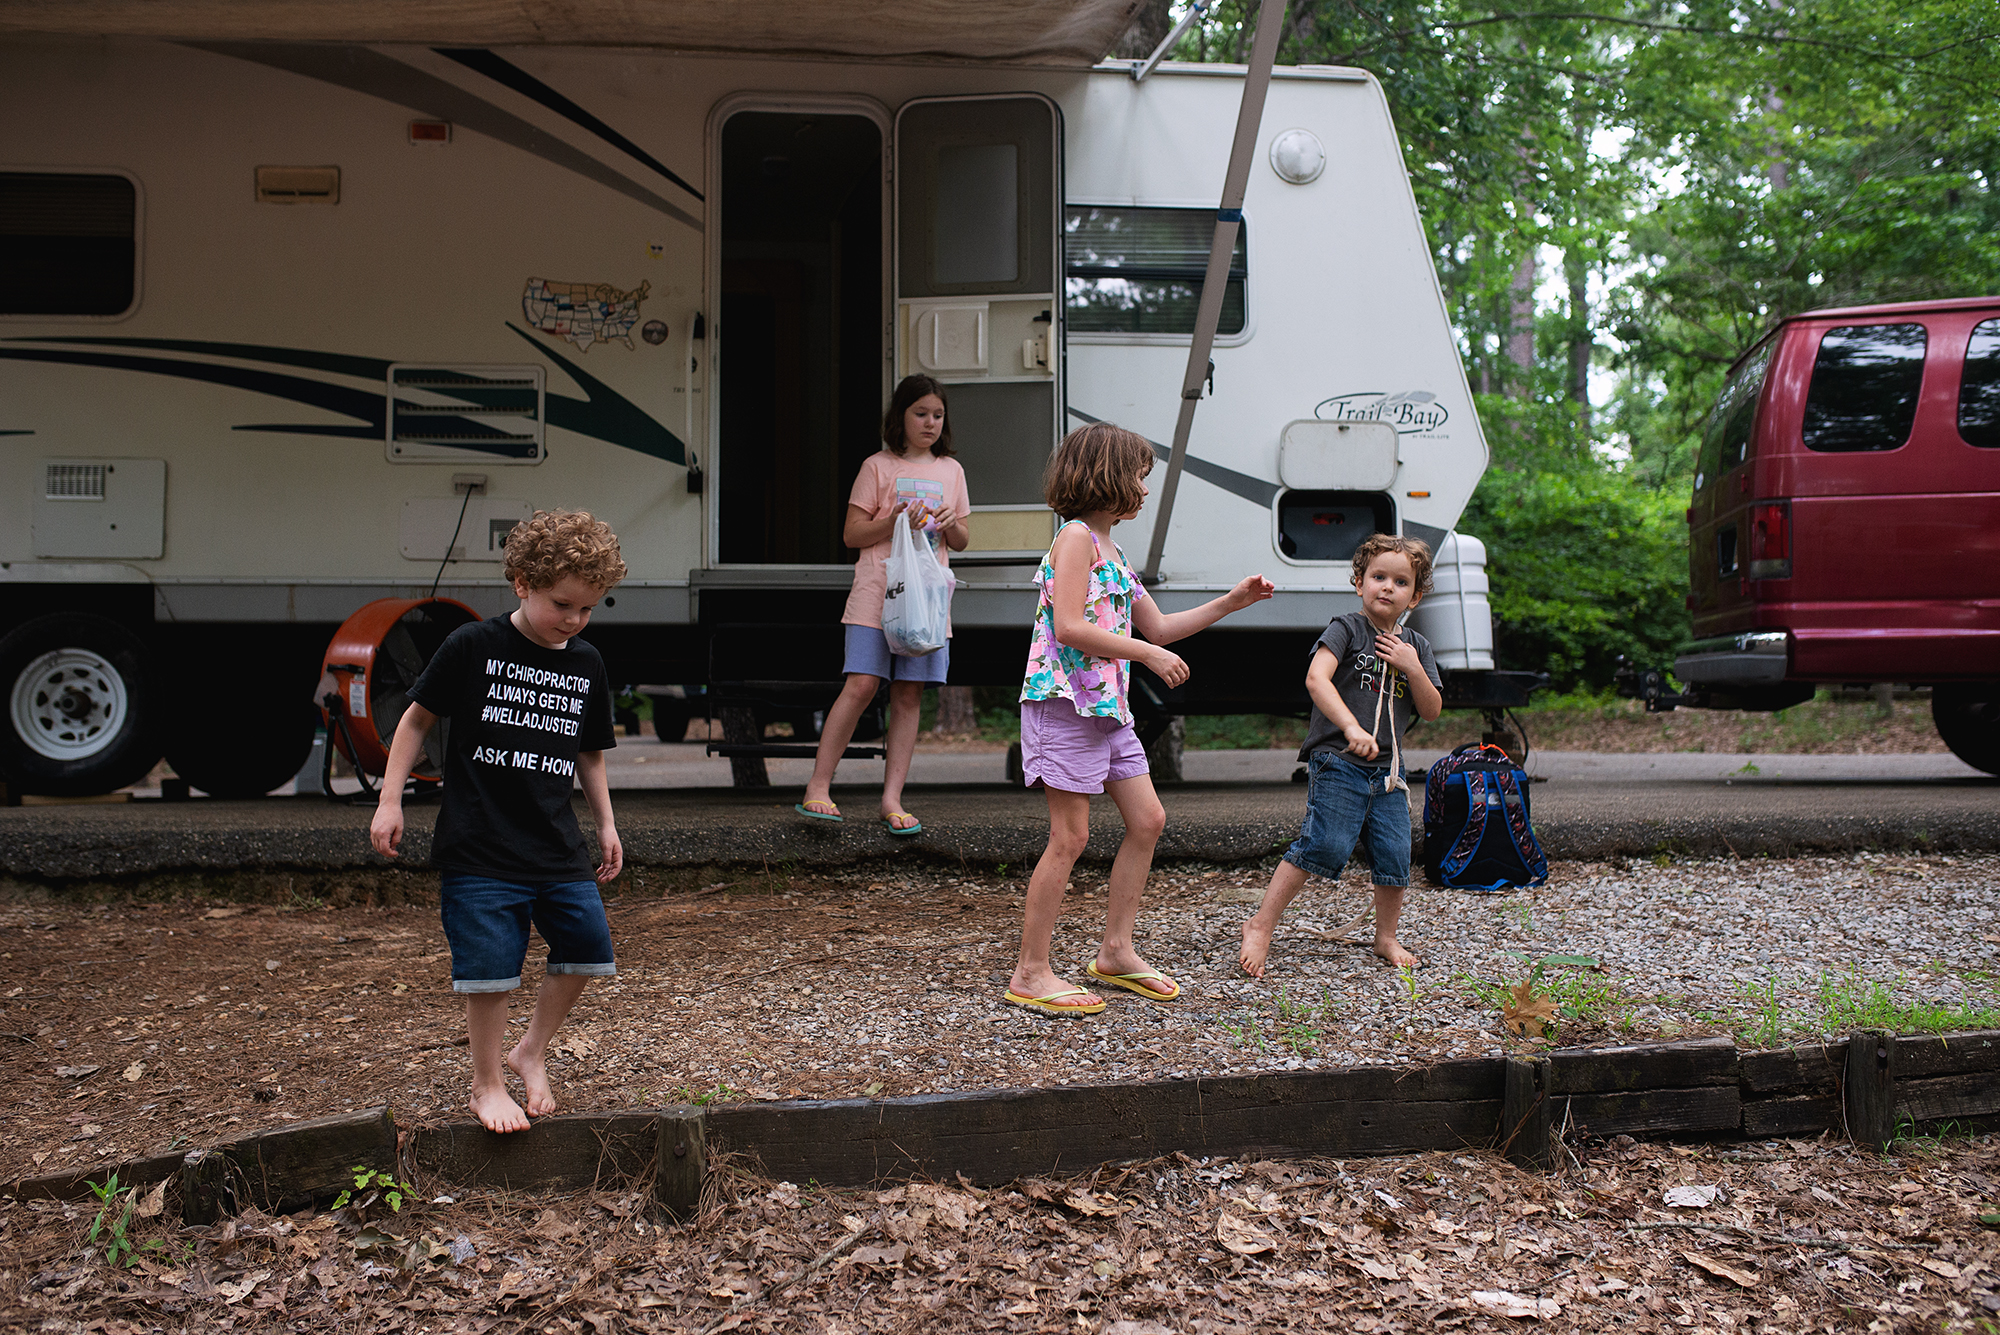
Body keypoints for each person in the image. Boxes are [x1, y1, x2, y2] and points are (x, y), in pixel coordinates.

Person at [369, 509, 627, 1134]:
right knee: (489, 968)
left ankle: (529, 1050)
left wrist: (607, 824)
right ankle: (487, 1084)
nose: (572, 620)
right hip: (480, 843)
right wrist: (390, 798)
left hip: (554, 842)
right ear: (521, 583)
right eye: (561, 604)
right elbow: (416, 720)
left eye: (587, 609)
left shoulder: (585, 662)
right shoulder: (473, 646)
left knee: (588, 947)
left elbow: (589, 752)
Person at [1006, 422, 1274, 1015]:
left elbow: (1159, 627)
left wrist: (1232, 602)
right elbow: (1071, 626)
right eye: (1138, 475)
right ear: (1106, 476)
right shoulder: (1074, 538)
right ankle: (1030, 971)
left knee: (1147, 819)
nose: (1144, 488)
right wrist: (1146, 655)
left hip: (1106, 709)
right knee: (1069, 837)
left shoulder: (1112, 549)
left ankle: (1115, 951)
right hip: (1065, 705)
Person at [1239, 533, 1443, 979]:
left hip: (1387, 770)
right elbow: (1317, 679)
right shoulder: (1346, 628)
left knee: (1395, 853)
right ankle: (1260, 924)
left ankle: (1385, 937)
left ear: (1416, 594)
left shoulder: (1417, 647)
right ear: (1359, 584)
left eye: (1400, 581)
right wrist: (1350, 726)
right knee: (1325, 843)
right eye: (1378, 577)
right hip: (1338, 759)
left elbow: (1431, 710)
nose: (1387, 587)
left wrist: (1411, 665)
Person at [796, 374, 970, 836]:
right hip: (878, 593)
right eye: (920, 414)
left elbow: (963, 540)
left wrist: (950, 523)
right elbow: (852, 535)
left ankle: (891, 799)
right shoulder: (877, 466)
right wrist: (892, 518)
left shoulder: (952, 471)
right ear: (901, 417)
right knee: (861, 684)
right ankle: (818, 786)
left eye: (937, 415)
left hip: (928, 602)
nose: (930, 423)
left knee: (909, 695)